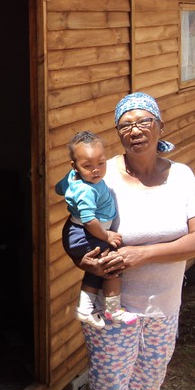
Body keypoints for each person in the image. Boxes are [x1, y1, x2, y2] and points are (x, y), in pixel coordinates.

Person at [75, 92, 195, 390]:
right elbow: (76, 236)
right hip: (114, 313)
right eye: (125, 126)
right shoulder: (101, 180)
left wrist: (143, 254)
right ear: (118, 134)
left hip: (164, 310)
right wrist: (87, 262)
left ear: (160, 126)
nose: (135, 131)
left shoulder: (181, 175)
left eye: (143, 122)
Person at [56, 131, 138, 329]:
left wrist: (70, 181)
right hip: (86, 233)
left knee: (95, 271)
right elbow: (90, 221)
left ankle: (84, 309)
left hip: (79, 232)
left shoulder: (76, 179)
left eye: (101, 163)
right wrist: (106, 235)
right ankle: (113, 309)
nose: (96, 170)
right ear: (74, 166)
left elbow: (59, 189)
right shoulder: (86, 190)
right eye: (87, 166)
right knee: (112, 266)